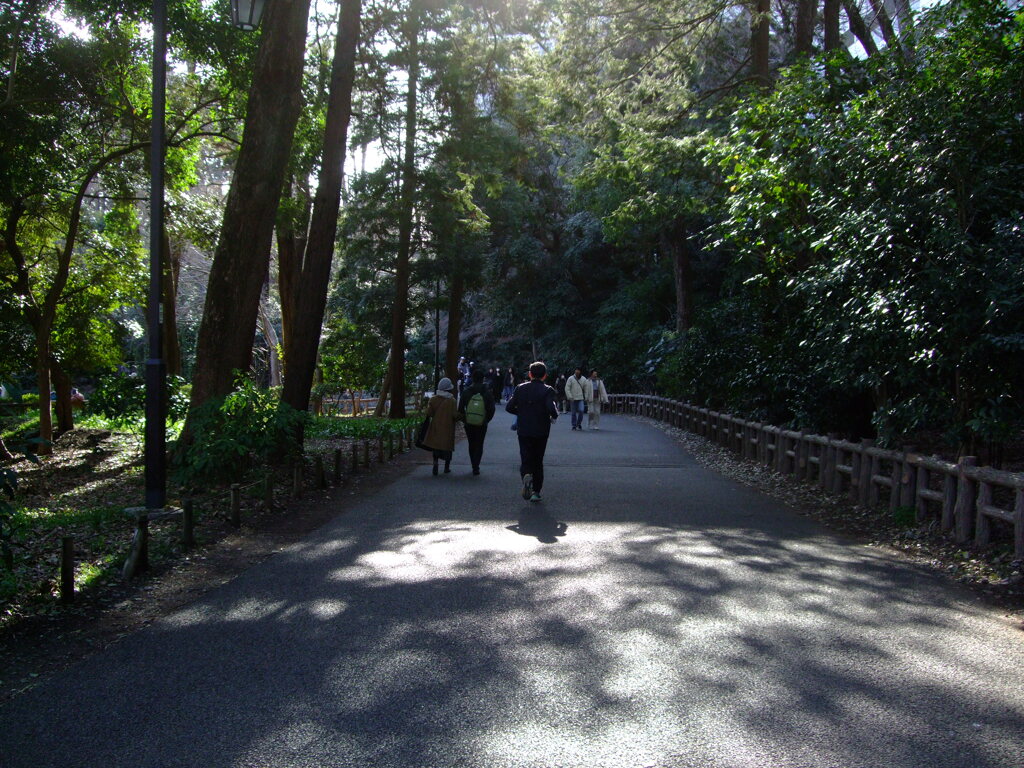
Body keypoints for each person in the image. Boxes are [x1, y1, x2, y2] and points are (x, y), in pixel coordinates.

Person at [505, 361, 558, 502]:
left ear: (530, 374)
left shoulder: (520, 388)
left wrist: (522, 412)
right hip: (541, 429)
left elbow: (509, 407)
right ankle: (536, 491)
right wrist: (553, 415)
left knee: (526, 456)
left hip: (524, 428)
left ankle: (526, 475)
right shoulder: (548, 390)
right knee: (538, 460)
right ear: (545, 376)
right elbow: (551, 408)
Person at [458, 368, 496, 475]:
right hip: (482, 422)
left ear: (472, 379)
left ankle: (473, 463)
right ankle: (476, 465)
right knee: (479, 443)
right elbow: (491, 409)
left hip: (469, 423)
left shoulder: (466, 392)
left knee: (471, 443)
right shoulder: (487, 392)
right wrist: (486, 419)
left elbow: (460, 409)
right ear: (483, 379)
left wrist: (465, 419)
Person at [423, 377, 461, 475]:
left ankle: (435, 463)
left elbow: (429, 413)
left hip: (435, 426)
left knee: (436, 446)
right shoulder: (452, 400)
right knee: (448, 447)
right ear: (449, 388)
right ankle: (446, 467)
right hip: (448, 427)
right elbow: (454, 415)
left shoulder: (433, 399)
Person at [564, 367, 588, 431]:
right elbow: (567, 388)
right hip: (573, 398)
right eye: (576, 370)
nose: (577, 371)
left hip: (580, 398)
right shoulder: (571, 378)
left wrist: (586, 396)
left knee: (581, 410)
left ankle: (579, 423)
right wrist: (569, 396)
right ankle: (574, 425)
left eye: (578, 370)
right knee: (573, 413)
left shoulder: (583, 379)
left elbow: (586, 389)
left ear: (580, 371)